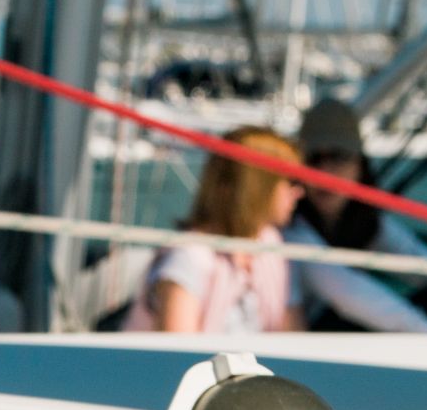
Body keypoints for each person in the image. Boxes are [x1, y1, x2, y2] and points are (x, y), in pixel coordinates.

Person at [286, 100, 427, 335]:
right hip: (315, 339)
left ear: (360, 166)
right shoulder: (291, 229)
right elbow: (346, 292)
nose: (325, 172)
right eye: (314, 159)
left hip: (344, 336)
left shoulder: (368, 224)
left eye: (338, 157)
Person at [125, 127, 301, 335]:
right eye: (290, 181)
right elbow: (177, 350)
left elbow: (291, 331)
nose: (299, 192)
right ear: (257, 186)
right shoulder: (189, 257)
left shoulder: (270, 244)